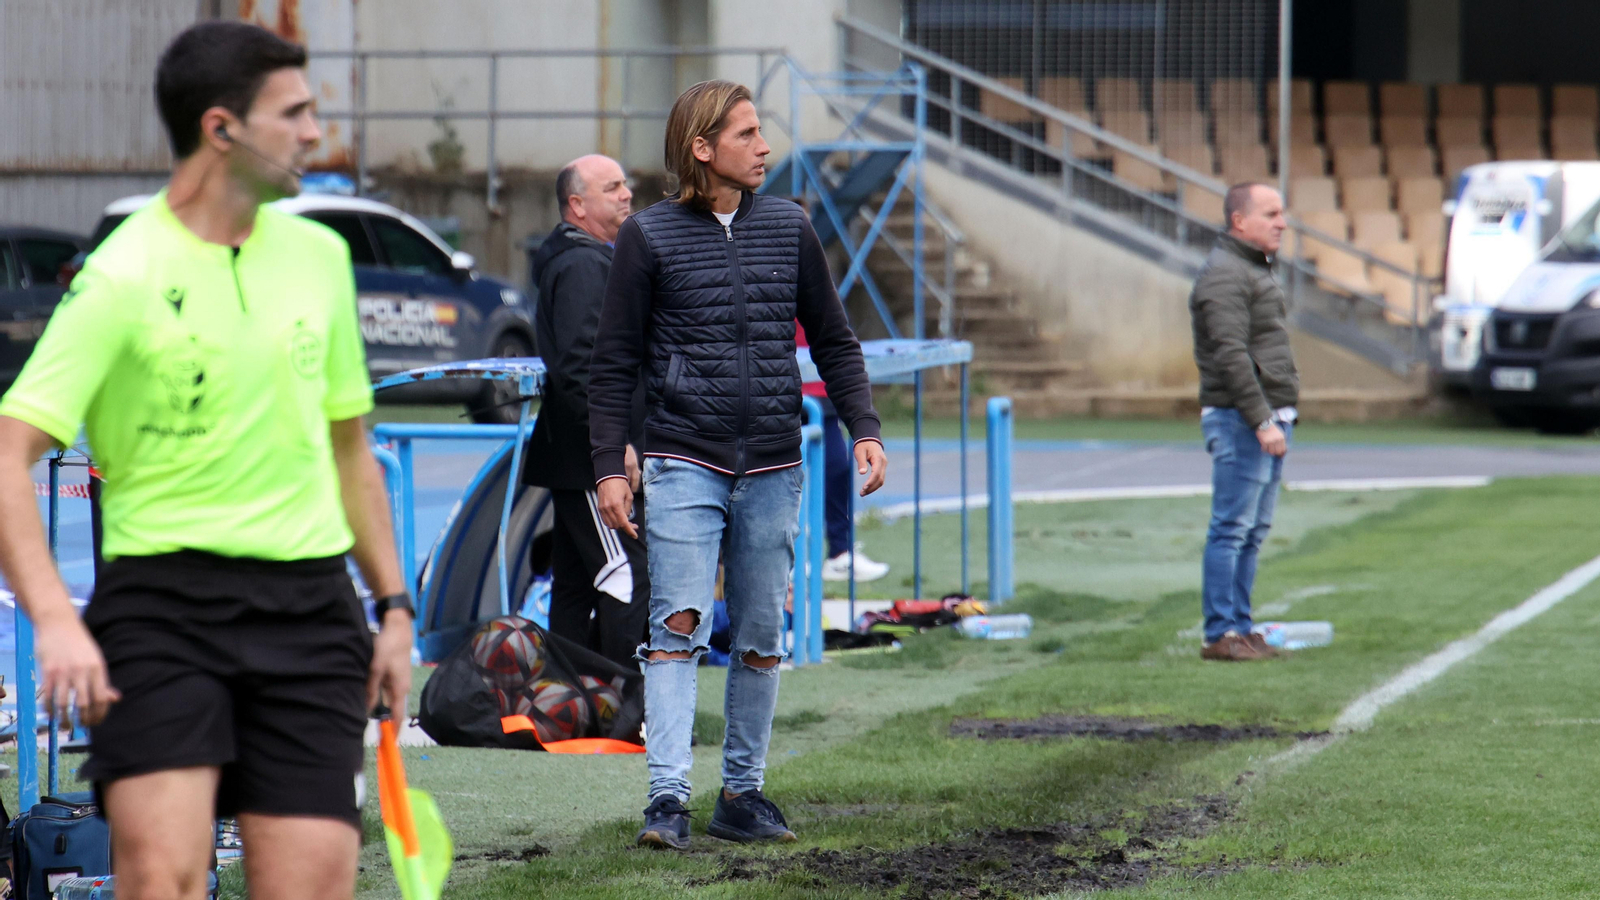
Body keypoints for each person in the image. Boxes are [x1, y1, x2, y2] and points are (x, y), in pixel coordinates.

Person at [0, 21, 412, 900]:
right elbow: (9, 453)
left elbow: (352, 451)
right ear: (222, 128)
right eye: (294, 112)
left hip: (311, 613)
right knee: (165, 885)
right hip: (161, 616)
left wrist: (395, 608)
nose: (314, 133)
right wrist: (56, 621)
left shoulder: (322, 258)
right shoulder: (120, 275)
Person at [588, 80, 888, 849]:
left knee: (760, 635)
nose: (764, 147)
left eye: (761, 132)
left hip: (774, 465)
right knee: (677, 624)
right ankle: (666, 801)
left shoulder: (790, 226)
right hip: (683, 458)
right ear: (701, 148)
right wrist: (607, 468)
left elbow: (834, 337)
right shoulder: (647, 237)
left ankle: (742, 795)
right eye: (747, 134)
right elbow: (614, 362)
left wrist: (864, 425)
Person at [524, 154, 649, 668]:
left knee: (575, 587)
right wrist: (613, 444)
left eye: (626, 184)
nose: (627, 195)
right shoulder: (580, 265)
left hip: (583, 456)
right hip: (590, 463)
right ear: (577, 204)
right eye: (612, 187)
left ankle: (570, 709)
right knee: (626, 574)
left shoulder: (590, 258)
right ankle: (627, 709)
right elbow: (580, 369)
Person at [1188, 182, 1299, 663]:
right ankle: (1220, 633)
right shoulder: (1225, 275)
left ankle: (1240, 627)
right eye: (1271, 213)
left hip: (1261, 417)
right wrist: (1262, 420)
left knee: (1251, 531)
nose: (1282, 222)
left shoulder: (1249, 269)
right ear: (1240, 221)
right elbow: (1231, 356)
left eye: (1282, 213)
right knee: (1231, 529)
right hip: (1242, 420)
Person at [796, 323, 890, 582]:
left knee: (838, 468)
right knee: (780, 475)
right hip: (775, 383)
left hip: (818, 384)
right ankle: (786, 555)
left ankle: (840, 553)